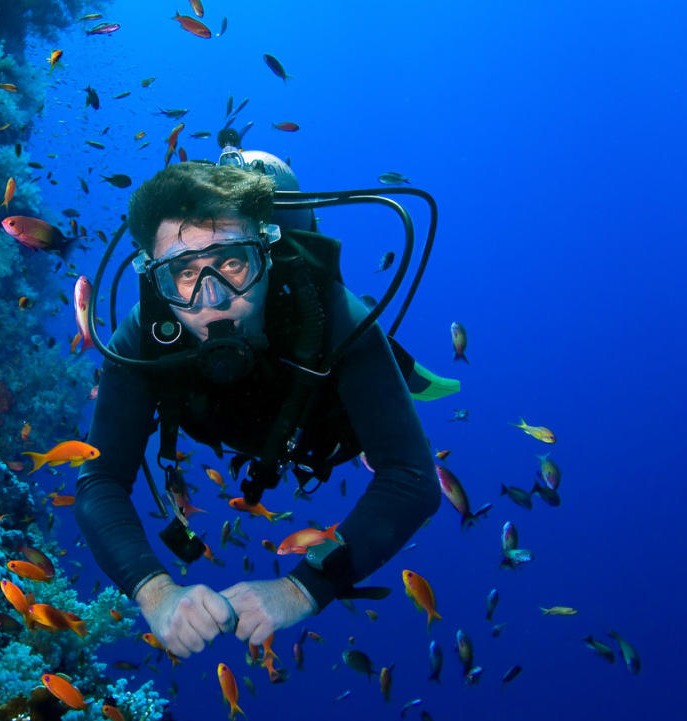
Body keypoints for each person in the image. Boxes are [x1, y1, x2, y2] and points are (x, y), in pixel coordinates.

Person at [74, 157, 441, 657]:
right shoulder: (142, 336)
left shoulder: (330, 312)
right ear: (157, 280)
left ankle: (404, 374)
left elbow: (412, 479)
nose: (213, 299)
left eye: (232, 262)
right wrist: (154, 591)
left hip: (323, 427)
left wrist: (302, 588)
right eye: (183, 273)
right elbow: (99, 481)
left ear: (266, 256)